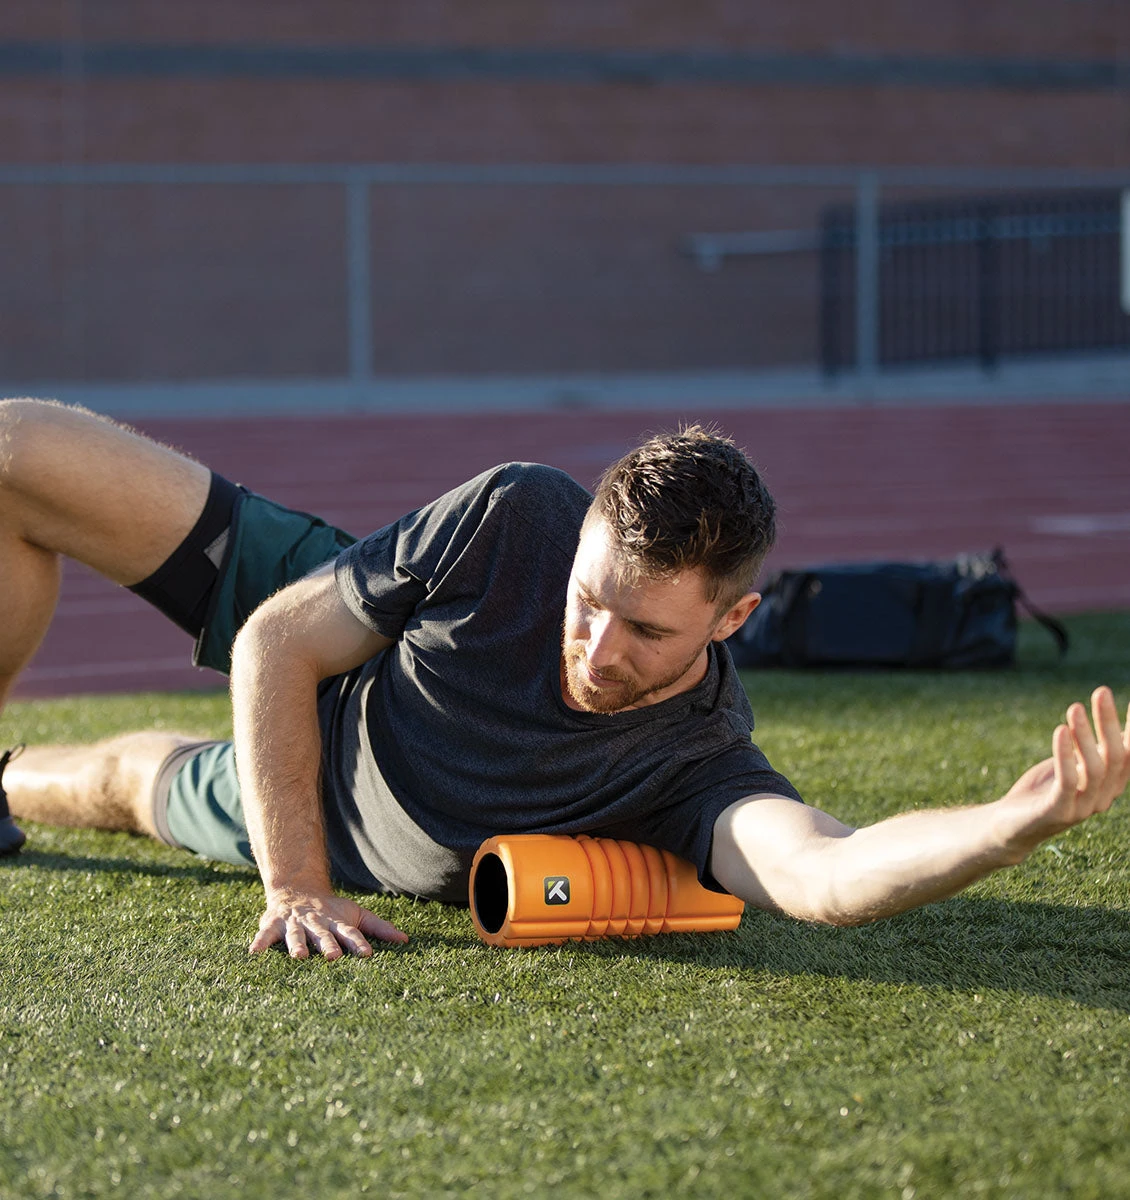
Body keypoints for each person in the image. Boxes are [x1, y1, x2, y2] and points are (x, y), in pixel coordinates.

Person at [0, 398, 1126, 961]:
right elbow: (274, 644)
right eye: (588, 601)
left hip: (333, 805)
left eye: (641, 630)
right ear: (580, 533)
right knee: (19, 450)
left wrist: (1002, 829)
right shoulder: (517, 515)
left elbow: (822, 872)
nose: (592, 649)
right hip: (357, 624)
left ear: (731, 619)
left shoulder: (696, 758)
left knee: (112, 786)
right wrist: (293, 886)